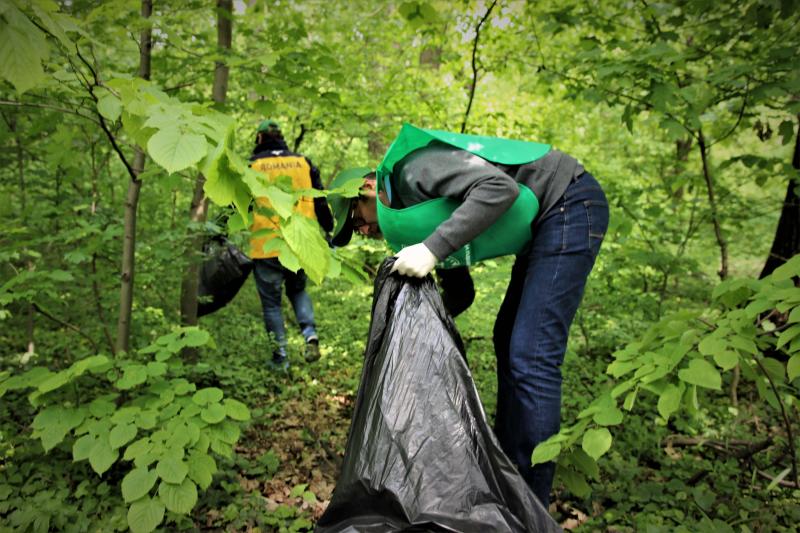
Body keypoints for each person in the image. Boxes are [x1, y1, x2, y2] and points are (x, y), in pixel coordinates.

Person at [328, 124, 609, 509]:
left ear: (368, 188)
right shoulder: (415, 218)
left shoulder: (415, 170)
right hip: (547, 221)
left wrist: (431, 250)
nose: (360, 231)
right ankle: (510, 477)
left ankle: (530, 503)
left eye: (355, 219)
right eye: (352, 231)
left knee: (531, 356)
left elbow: (501, 189)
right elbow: (461, 292)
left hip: (569, 202)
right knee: (506, 338)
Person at [249, 119, 334, 369]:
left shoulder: (253, 166)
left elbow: (237, 204)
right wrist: (329, 230)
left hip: (266, 244)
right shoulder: (303, 162)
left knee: (272, 305)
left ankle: (280, 358)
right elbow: (319, 201)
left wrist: (219, 233)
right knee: (298, 291)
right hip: (300, 244)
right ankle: (310, 335)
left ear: (260, 139)